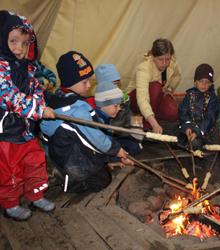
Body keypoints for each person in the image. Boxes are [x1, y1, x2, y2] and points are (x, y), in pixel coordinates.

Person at [40, 51, 133, 193]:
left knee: (102, 166)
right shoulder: (76, 110)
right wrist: (117, 151)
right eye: (85, 82)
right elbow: (95, 138)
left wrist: (109, 158)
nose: (89, 85)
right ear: (70, 82)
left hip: (67, 150)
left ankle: (64, 171)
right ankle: (66, 178)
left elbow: (90, 138)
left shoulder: (61, 97)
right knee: (103, 179)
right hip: (68, 159)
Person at [0, 11, 55, 221]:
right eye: (13, 41)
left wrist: (41, 103)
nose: (19, 48)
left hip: (27, 130)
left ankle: (36, 194)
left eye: (24, 43)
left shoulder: (28, 68)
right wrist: (38, 110)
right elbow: (8, 96)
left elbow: (36, 90)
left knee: (35, 163)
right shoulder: (0, 68)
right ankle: (10, 204)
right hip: (6, 135)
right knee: (9, 172)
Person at [126, 38, 181, 134]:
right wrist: (154, 124)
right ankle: (143, 121)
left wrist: (170, 88)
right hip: (135, 100)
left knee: (172, 112)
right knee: (155, 87)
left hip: (155, 98)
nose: (164, 63)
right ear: (153, 57)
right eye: (160, 59)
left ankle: (149, 116)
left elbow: (177, 76)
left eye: (167, 59)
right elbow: (142, 99)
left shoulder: (172, 63)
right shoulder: (144, 68)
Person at [94, 64, 141, 157]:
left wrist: (138, 128)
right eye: (113, 84)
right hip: (112, 136)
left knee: (135, 146)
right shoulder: (102, 103)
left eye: (117, 83)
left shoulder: (121, 97)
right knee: (127, 148)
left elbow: (130, 114)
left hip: (124, 133)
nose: (116, 87)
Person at [178, 64, 218, 149]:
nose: (204, 84)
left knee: (196, 143)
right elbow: (183, 111)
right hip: (189, 126)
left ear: (211, 83)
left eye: (207, 82)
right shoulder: (190, 95)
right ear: (196, 82)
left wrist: (197, 132)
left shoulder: (212, 98)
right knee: (176, 139)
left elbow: (210, 118)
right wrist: (187, 126)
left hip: (204, 131)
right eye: (201, 81)